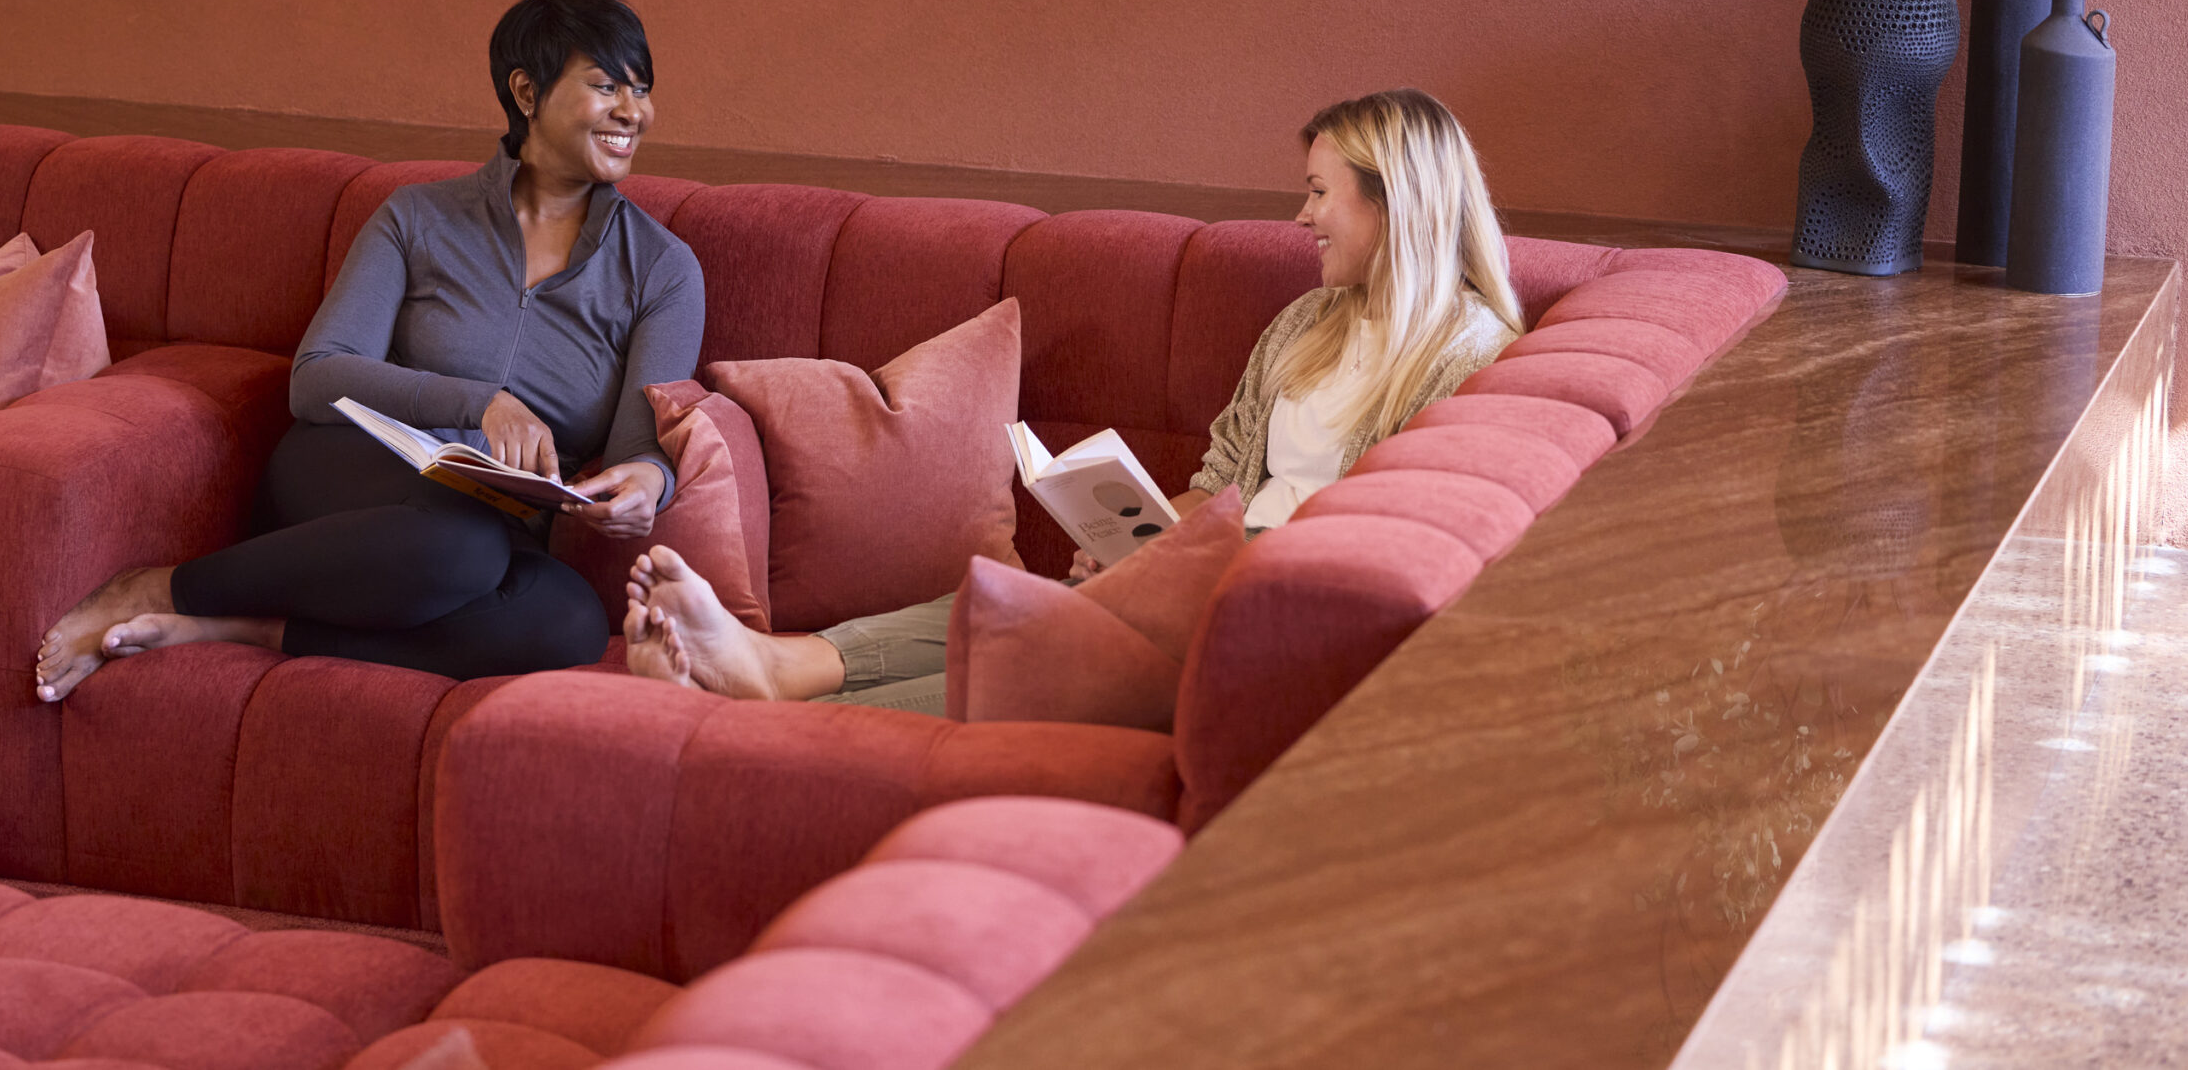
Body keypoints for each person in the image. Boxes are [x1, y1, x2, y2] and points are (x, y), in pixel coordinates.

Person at [621, 86, 1521, 715]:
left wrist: (1187, 570)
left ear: (1393, 201)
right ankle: (771, 668)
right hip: (1205, 575)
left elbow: (1397, 547)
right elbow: (1217, 481)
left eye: (1321, 192)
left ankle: (767, 713)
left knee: (1047, 645)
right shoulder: (1306, 324)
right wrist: (1138, 539)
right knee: (1018, 600)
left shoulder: (1471, 358)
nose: (1301, 217)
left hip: (1272, 617)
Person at [33, 0, 703, 701]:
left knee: (567, 621)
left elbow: (640, 448)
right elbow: (317, 377)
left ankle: (241, 628)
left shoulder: (663, 270)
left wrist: (643, 487)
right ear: (526, 92)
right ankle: (161, 586)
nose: (634, 112)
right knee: (456, 548)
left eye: (641, 90)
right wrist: (484, 404)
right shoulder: (417, 218)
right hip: (354, 477)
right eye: (607, 87)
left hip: (491, 522)